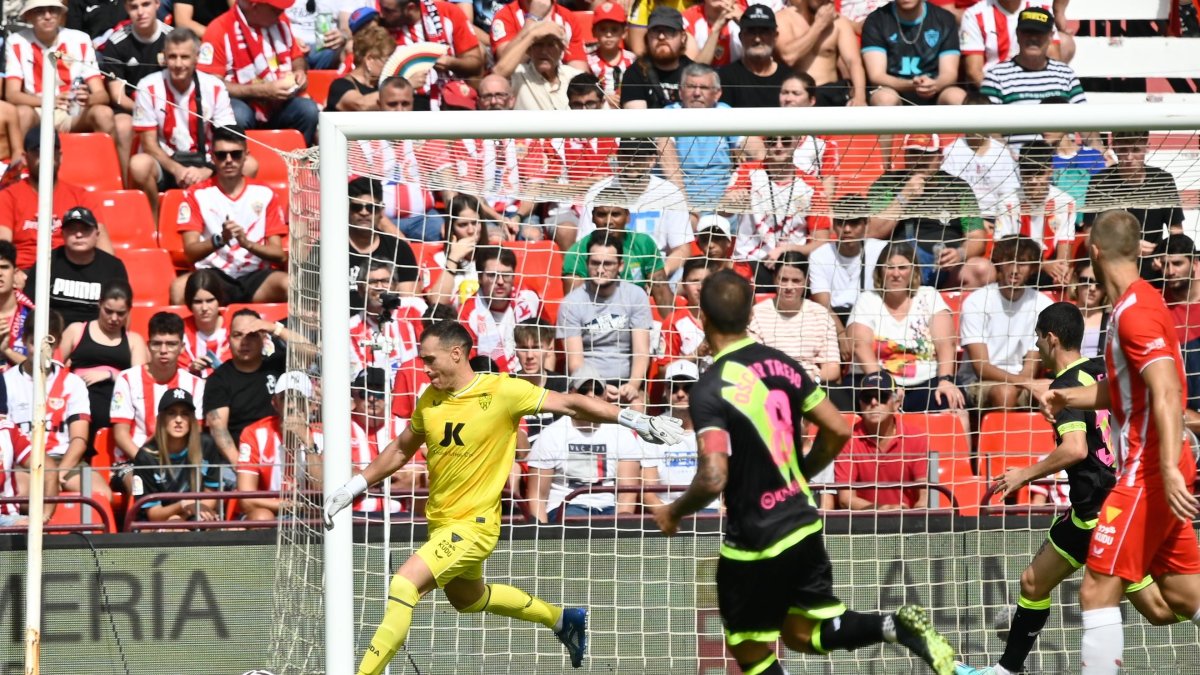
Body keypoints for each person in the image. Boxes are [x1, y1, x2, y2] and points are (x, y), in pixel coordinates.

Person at [323, 319, 684, 674]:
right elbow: (402, 449)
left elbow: (571, 403)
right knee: (469, 599)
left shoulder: (502, 391)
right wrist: (353, 487)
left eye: (430, 360)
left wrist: (634, 419)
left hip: (474, 526)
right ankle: (561, 619)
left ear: (455, 354)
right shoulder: (430, 399)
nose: (425, 368)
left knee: (403, 583)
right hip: (442, 524)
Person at [651, 269, 955, 675]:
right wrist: (800, 476)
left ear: (702, 319)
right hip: (802, 520)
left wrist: (673, 512)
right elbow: (840, 427)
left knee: (748, 648)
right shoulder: (783, 365)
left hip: (755, 536)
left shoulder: (711, 387)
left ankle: (894, 625)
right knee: (801, 631)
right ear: (749, 316)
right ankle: (893, 624)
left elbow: (712, 476)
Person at [956, 300, 1179, 675]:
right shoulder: (1101, 371)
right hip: (1089, 510)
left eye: (1039, 339)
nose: (1038, 347)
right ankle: (1006, 670)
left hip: (1104, 516)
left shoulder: (1065, 386)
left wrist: (1025, 473)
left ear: (1051, 338)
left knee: (1158, 610)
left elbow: (1074, 449)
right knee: (1032, 583)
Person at [170, 125, 289, 305]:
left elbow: (279, 255)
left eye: (235, 154)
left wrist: (246, 243)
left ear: (246, 156)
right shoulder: (196, 195)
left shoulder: (265, 194)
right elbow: (190, 253)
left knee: (292, 285)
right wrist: (220, 240)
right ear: (212, 157)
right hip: (212, 277)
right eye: (221, 155)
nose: (229, 160)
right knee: (179, 289)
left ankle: (287, 332)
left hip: (255, 276)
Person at [128, 28, 240, 217]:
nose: (178, 64)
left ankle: (230, 219)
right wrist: (177, 170)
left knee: (249, 164)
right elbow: (148, 144)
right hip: (166, 162)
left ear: (196, 57)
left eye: (185, 57)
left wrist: (208, 169)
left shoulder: (214, 86)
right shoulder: (147, 86)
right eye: (172, 57)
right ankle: (154, 223)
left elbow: (227, 135)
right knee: (139, 165)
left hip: (206, 161)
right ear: (164, 57)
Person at [2, 311, 109, 502]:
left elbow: (79, 439)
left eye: (49, 344)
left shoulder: (72, 383)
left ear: (58, 343)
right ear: (25, 340)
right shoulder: (6, 382)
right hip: (22, 463)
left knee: (100, 496)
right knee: (22, 496)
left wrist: (58, 474)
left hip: (64, 462)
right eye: (35, 343)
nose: (42, 351)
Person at [526, 364, 656, 522]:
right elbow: (537, 497)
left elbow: (627, 495)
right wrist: (543, 537)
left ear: (605, 396)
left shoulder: (622, 434)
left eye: (597, 390)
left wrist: (623, 527)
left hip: (609, 510)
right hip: (565, 509)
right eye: (583, 390)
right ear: (570, 394)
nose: (591, 396)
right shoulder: (551, 435)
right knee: (575, 521)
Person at [848, 242, 965, 413]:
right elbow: (860, 345)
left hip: (927, 381)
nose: (896, 274)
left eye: (902, 267)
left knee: (953, 404)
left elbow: (945, 343)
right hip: (878, 381)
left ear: (913, 271)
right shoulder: (867, 300)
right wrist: (884, 386)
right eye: (890, 268)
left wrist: (945, 380)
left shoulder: (929, 295)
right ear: (880, 271)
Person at [867, 134, 988, 289]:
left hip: (949, 268)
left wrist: (960, 254)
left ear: (940, 158)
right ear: (904, 156)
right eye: (914, 154)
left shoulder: (959, 188)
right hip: (901, 265)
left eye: (927, 155)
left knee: (984, 269)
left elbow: (976, 236)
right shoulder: (887, 183)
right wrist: (904, 196)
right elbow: (872, 231)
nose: (919, 160)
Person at [198, 0, 320, 145]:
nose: (282, 12)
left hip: (280, 105)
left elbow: (296, 57)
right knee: (238, 114)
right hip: (243, 104)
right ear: (254, 7)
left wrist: (299, 71)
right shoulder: (219, 29)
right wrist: (261, 91)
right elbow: (210, 84)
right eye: (275, 9)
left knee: (308, 110)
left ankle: (296, 162)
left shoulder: (281, 21)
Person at [571, 138, 692, 280]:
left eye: (638, 156)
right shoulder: (598, 192)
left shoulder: (670, 193)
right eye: (626, 154)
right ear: (618, 156)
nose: (632, 162)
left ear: (652, 160)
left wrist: (661, 272)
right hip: (608, 265)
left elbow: (682, 249)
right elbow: (584, 244)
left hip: (656, 265)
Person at [558, 231, 653, 407]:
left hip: (627, 383)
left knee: (637, 406)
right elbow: (575, 362)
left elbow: (641, 351)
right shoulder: (571, 302)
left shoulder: (636, 296)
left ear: (621, 265)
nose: (600, 270)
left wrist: (633, 385)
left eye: (607, 264)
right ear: (586, 263)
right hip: (587, 384)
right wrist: (598, 388)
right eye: (595, 263)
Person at [4, 0, 119, 142]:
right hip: (36, 109)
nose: (47, 16)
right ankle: (20, 163)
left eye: (53, 10)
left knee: (104, 114)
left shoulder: (80, 39)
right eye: (40, 11)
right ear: (29, 15)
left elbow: (102, 95)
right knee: (21, 114)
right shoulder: (16, 41)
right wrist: (49, 101)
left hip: (73, 112)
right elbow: (12, 94)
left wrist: (87, 99)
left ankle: (106, 164)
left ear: (61, 14)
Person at [960, 236, 1052, 411]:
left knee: (1060, 389)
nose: (1015, 269)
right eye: (1009, 261)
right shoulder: (977, 301)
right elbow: (982, 368)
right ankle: (1002, 439)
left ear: (1033, 268)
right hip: (978, 383)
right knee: (1005, 393)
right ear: (999, 262)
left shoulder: (1042, 304)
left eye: (1023, 263)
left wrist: (1027, 382)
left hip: (1023, 381)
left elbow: (1031, 366)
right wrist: (1026, 383)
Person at [0, 128, 112, 270]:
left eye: (51, 152)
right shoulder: (8, 197)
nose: (46, 158)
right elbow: (3, 247)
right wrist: (15, 275)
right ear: (25, 158)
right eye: (38, 152)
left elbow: (104, 247)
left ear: (60, 156)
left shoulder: (81, 196)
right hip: (24, 273)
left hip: (71, 274)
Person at [203, 309, 299, 464]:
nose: (244, 342)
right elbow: (218, 429)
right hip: (241, 460)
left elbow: (311, 353)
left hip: (284, 458)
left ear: (263, 338)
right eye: (237, 335)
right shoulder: (218, 379)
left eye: (251, 335)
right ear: (229, 339)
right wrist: (243, 468)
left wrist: (275, 328)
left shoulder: (279, 365)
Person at [59, 280, 148, 446]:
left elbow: (139, 382)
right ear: (99, 304)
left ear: (129, 311)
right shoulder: (76, 330)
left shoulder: (134, 340)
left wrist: (110, 375)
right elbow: (54, 367)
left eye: (121, 313)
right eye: (109, 311)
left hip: (116, 401)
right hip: (78, 400)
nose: (114, 318)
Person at [979, 7, 1084, 148]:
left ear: (1051, 36)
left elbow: (1085, 121)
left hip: (1065, 165)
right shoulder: (996, 76)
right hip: (1015, 165)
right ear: (1017, 34)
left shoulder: (1065, 74)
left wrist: (1099, 151)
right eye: (1028, 32)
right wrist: (1010, 158)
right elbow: (987, 126)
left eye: (1039, 33)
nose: (1033, 38)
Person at [111, 312, 206, 463]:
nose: (163, 350)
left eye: (171, 344)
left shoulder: (195, 385)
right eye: (157, 343)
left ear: (182, 347)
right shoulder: (127, 379)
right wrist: (147, 463)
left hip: (179, 463)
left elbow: (196, 432)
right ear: (148, 346)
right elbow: (120, 434)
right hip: (133, 461)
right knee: (142, 485)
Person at [1083, 131, 1185, 269]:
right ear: (1114, 148)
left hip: (1153, 268)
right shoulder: (1099, 182)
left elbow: (1176, 232)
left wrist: (1165, 258)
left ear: (1147, 147)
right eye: (1124, 150)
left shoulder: (1163, 180)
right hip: (1113, 267)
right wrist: (1128, 247)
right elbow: (1089, 238)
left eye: (1136, 150)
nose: (1129, 157)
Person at [834, 372, 929, 510]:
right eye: (867, 398)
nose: (874, 402)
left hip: (908, 522)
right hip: (861, 525)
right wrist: (884, 509)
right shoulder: (846, 439)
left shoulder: (916, 436)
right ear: (860, 403)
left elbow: (924, 494)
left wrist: (915, 515)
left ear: (896, 403)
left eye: (882, 396)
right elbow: (846, 499)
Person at [237, 370, 323, 520]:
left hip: (310, 515)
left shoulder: (323, 436)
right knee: (262, 517)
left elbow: (322, 491)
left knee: (320, 518)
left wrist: (309, 444)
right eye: (285, 398)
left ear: (311, 405)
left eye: (298, 399)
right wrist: (291, 506)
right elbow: (246, 499)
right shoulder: (254, 433)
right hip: (270, 511)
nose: (291, 405)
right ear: (275, 403)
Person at [22, 206, 129, 326]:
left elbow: (123, 312)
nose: (78, 234)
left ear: (97, 234)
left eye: (85, 229)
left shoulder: (113, 267)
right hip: (53, 335)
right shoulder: (46, 262)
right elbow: (29, 307)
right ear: (63, 234)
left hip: (98, 336)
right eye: (72, 229)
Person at [131, 388, 224, 522]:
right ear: (161, 419)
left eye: (185, 414)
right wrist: (182, 505)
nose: (179, 420)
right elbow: (153, 514)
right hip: (156, 525)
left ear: (192, 419)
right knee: (175, 525)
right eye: (171, 413)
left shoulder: (206, 445)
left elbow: (211, 496)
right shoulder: (146, 456)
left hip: (195, 515)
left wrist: (184, 514)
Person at [659, 63, 745, 210]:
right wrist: (684, 207)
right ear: (680, 91)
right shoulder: (670, 113)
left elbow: (755, 149)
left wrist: (740, 182)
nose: (697, 93)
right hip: (679, 204)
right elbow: (665, 149)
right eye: (691, 87)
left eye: (704, 88)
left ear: (717, 93)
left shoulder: (725, 113)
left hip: (723, 206)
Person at [747, 251, 840, 385]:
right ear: (774, 279)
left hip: (811, 384)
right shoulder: (757, 314)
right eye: (783, 280)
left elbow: (832, 367)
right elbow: (753, 363)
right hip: (771, 384)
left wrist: (813, 380)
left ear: (806, 281)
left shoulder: (821, 315)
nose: (789, 287)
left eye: (796, 281)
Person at [993, 140, 1075, 285]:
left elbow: (1065, 245)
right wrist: (1042, 265)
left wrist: (1061, 270)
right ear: (1020, 172)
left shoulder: (1066, 202)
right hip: (1015, 269)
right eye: (1028, 174)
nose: (1033, 180)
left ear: (1050, 171)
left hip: (1050, 271)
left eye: (1039, 174)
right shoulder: (1007, 202)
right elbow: (1002, 250)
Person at [375, 0, 484, 105]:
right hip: (405, 105)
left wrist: (452, 63)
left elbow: (476, 63)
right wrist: (405, 84)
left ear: (410, 8)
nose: (382, 14)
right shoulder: (380, 27)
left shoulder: (448, 13)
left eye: (388, 11)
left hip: (450, 100)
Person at [860, 0, 966, 106]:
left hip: (936, 89)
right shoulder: (876, 20)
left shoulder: (944, 19)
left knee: (957, 97)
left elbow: (949, 73)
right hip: (893, 89)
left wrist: (935, 84)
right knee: (884, 99)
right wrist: (911, 85)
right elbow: (877, 76)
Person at [350, 368, 422, 516]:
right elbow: (336, 477)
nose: (372, 399)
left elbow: (419, 475)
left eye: (379, 392)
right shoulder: (339, 429)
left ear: (390, 395)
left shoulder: (405, 427)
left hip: (402, 515)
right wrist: (388, 475)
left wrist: (363, 478)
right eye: (365, 392)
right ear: (354, 394)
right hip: (353, 516)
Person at [807, 194, 886, 326]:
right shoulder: (818, 255)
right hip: (832, 321)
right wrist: (842, 335)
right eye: (841, 222)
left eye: (854, 222)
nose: (847, 229)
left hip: (871, 319)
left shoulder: (881, 251)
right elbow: (824, 306)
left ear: (866, 222)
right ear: (834, 224)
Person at [457, 246, 541, 372]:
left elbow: (547, 349)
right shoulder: (467, 313)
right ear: (480, 278)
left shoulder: (529, 299)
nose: (500, 281)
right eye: (492, 275)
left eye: (506, 275)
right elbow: (466, 365)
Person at [777, 0, 867, 106]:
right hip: (797, 96)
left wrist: (860, 97)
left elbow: (853, 62)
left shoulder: (839, 22)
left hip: (831, 94)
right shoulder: (783, 18)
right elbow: (789, 57)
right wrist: (819, 25)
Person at [960, 0, 1062, 88]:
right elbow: (974, 71)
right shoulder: (975, 14)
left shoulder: (1041, 11)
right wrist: (1000, 92)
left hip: (1036, 85)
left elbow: (1054, 57)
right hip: (993, 88)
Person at [493, 22, 583, 111]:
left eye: (551, 45)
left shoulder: (574, 76)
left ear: (561, 50)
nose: (544, 51)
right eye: (538, 44)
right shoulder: (519, 75)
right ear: (528, 50)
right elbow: (497, 74)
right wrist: (532, 35)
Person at [716, 5, 790, 109]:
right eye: (751, 32)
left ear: (775, 36)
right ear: (741, 37)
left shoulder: (789, 79)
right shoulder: (724, 77)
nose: (757, 39)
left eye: (764, 32)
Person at [621, 7, 694, 109]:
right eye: (655, 31)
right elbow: (636, 121)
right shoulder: (635, 73)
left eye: (669, 31)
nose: (661, 37)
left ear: (682, 37)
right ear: (647, 37)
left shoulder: (695, 73)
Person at [513, 321, 568, 446]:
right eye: (524, 348)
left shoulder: (562, 384)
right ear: (516, 350)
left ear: (549, 349)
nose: (530, 356)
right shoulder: (507, 384)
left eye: (536, 347)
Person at [325, 25, 395, 111]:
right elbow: (361, 105)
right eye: (387, 61)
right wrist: (403, 88)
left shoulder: (381, 86)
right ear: (369, 59)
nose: (391, 66)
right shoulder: (340, 86)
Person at [180, 269, 231, 376]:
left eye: (210, 300)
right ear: (189, 303)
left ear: (219, 300)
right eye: (198, 302)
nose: (204, 308)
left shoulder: (234, 329)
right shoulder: (179, 331)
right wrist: (191, 370)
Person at [586, 1, 636, 105]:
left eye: (614, 29)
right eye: (603, 29)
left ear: (624, 32)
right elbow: (585, 89)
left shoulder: (633, 60)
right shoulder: (588, 62)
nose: (608, 34)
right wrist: (604, 98)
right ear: (594, 32)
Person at [0, 242, 35, 367]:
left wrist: (6, 351)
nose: (0, 273)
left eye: (4, 267)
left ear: (15, 274)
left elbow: (42, 369)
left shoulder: (34, 315)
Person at [1072, 260, 1107, 359]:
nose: (1092, 288)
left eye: (1099, 284)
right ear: (1076, 280)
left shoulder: (1111, 321)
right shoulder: (1062, 315)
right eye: (1086, 281)